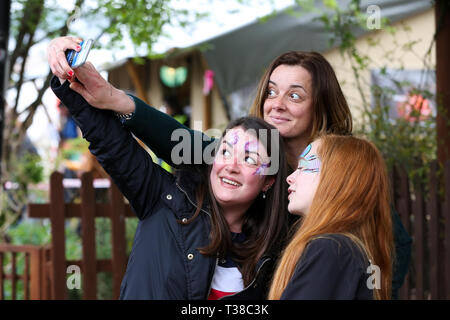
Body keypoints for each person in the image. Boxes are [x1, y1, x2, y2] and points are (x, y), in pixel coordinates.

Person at [47, 37, 411, 298]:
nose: (277, 103)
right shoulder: (186, 197)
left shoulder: (325, 207)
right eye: (271, 91)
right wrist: (103, 95)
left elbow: (388, 243)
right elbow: (173, 141)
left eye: (295, 95)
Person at [48, 60, 288, 299]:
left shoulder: (274, 251)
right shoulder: (166, 200)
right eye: (225, 151)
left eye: (250, 159)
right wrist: (67, 76)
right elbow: (112, 144)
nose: (231, 166)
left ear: (268, 181)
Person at [268, 136, 393, 299]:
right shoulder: (355, 250)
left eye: (305, 167)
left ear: (338, 179)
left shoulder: (332, 248)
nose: (290, 177)